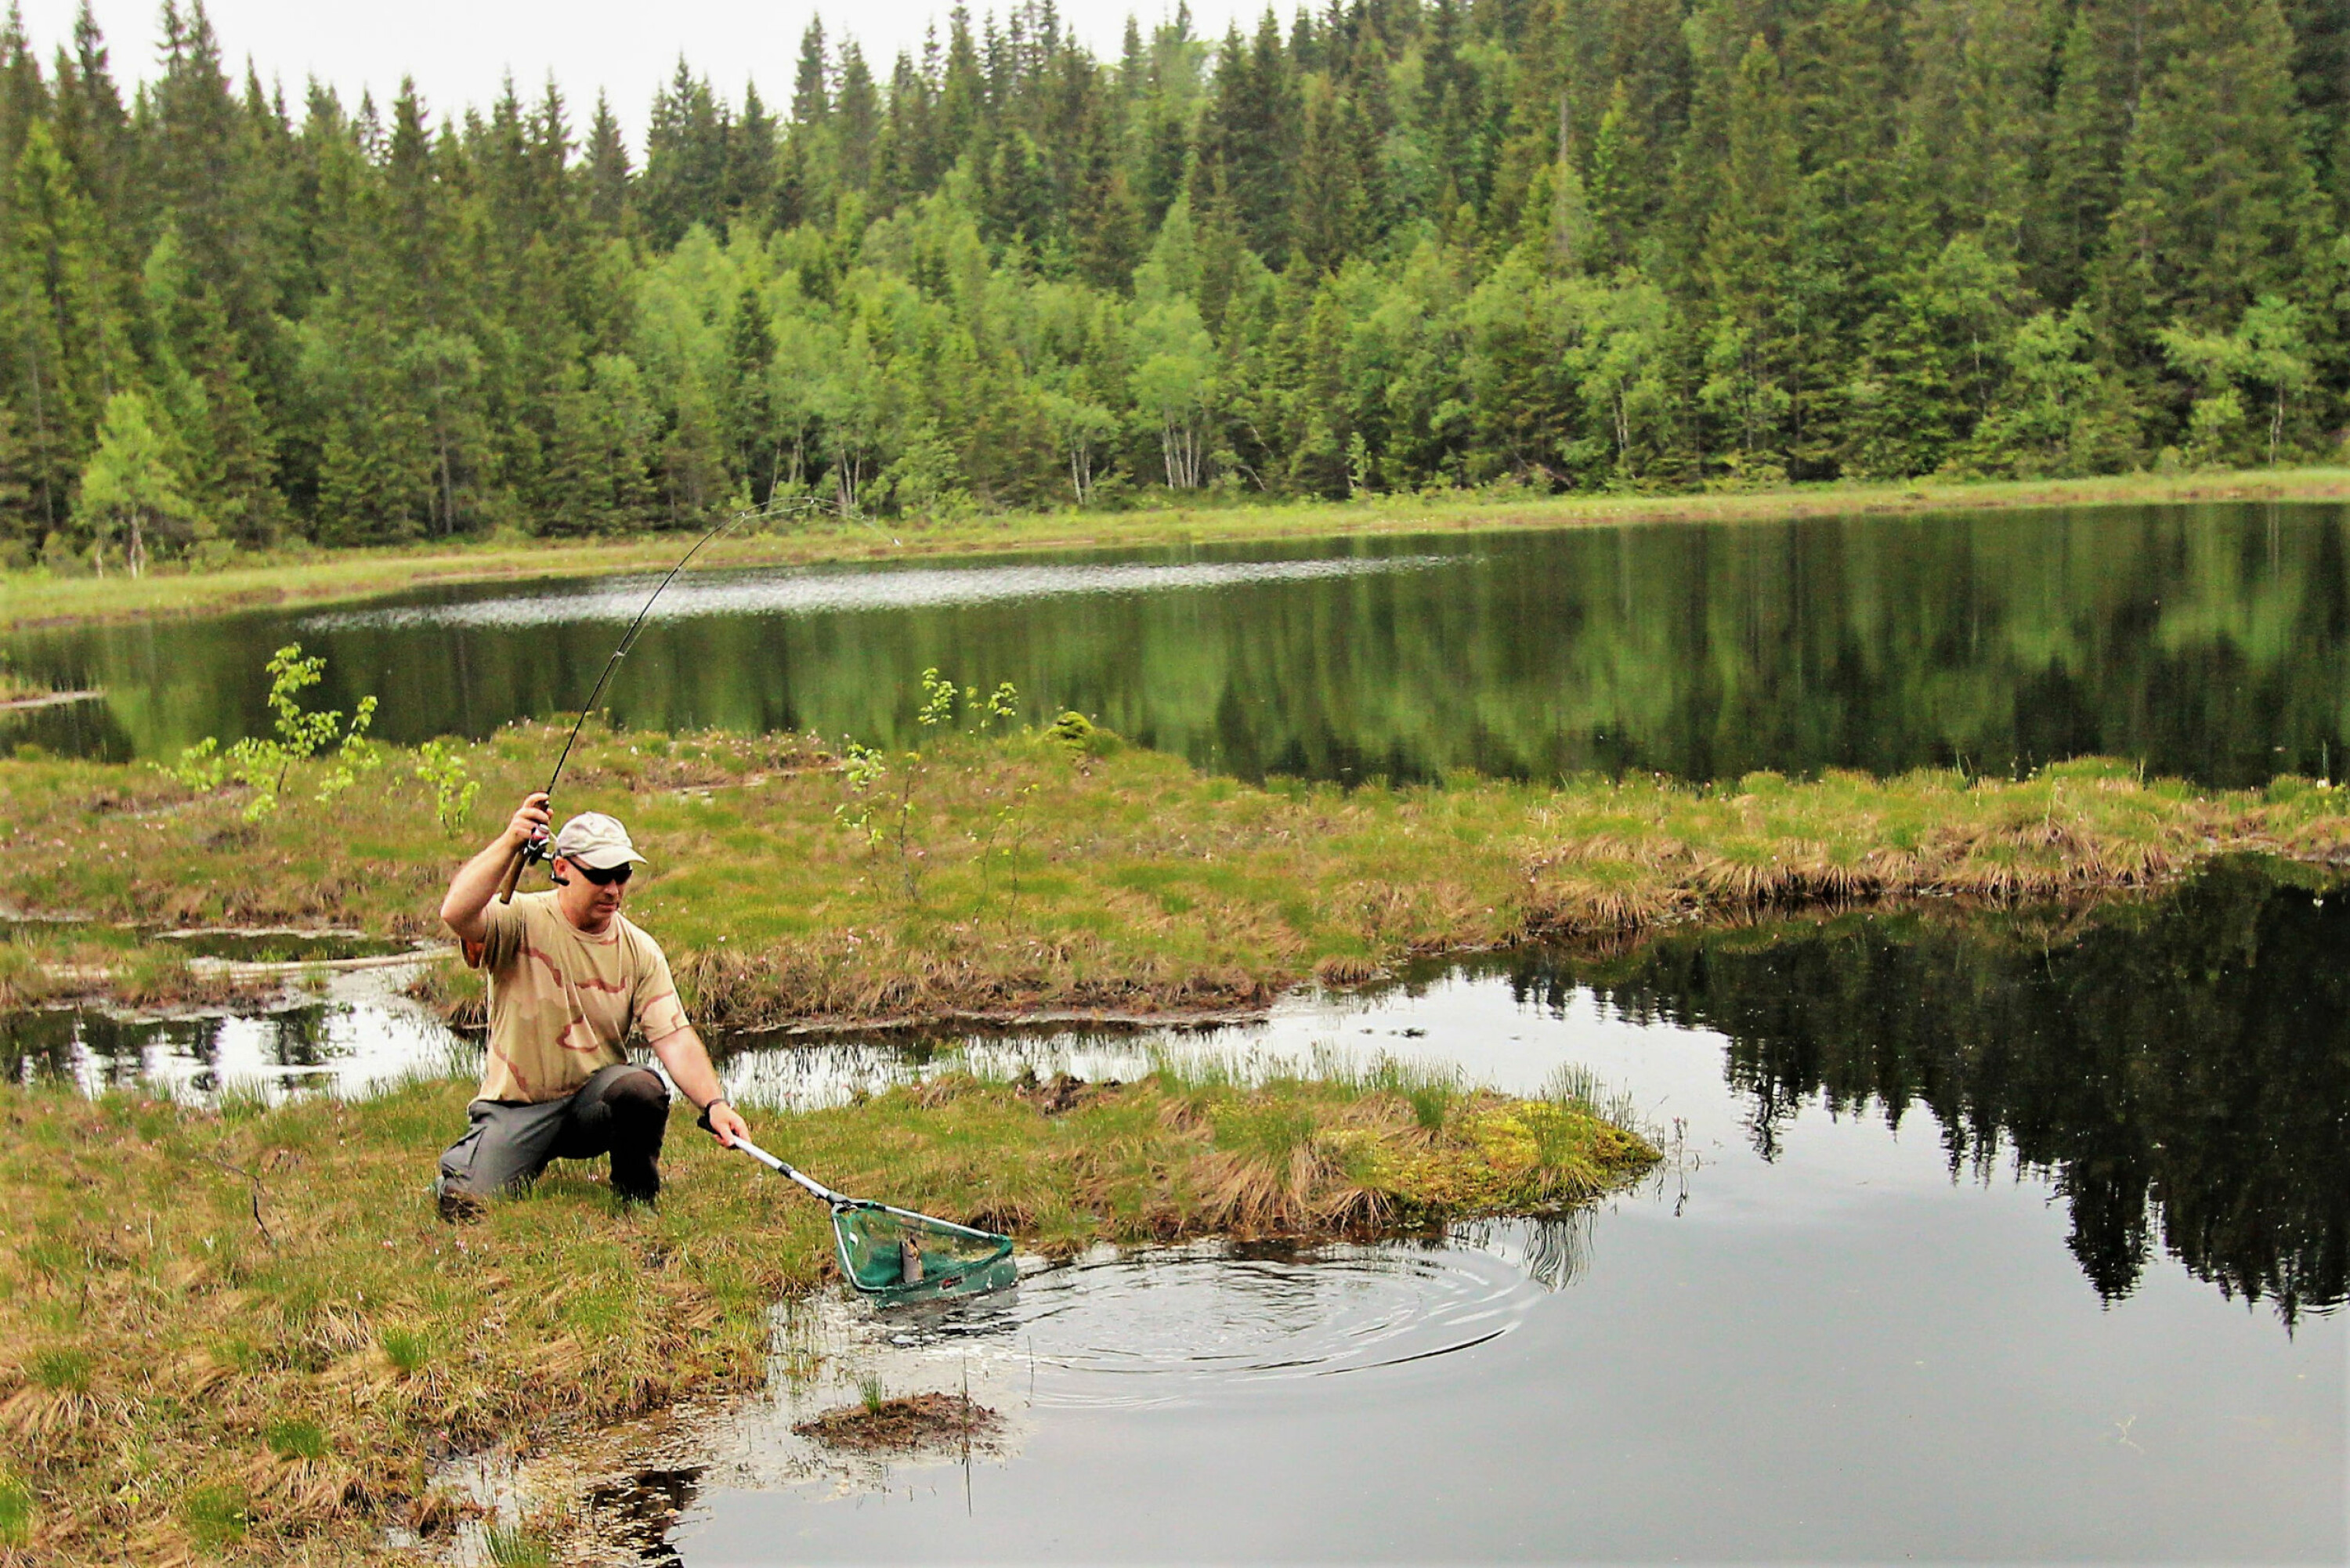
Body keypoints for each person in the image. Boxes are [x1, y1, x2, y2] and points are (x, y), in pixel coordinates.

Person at [433, 790, 750, 1222]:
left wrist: (716, 1105)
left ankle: (637, 1198)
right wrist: (511, 841)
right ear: (561, 869)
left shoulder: (640, 948)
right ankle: (476, 1163)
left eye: (622, 875)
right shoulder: (518, 919)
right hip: (518, 1108)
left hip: (591, 1107)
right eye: (601, 875)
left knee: (641, 1089)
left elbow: (674, 1037)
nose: (613, 889)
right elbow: (456, 912)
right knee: (466, 1205)